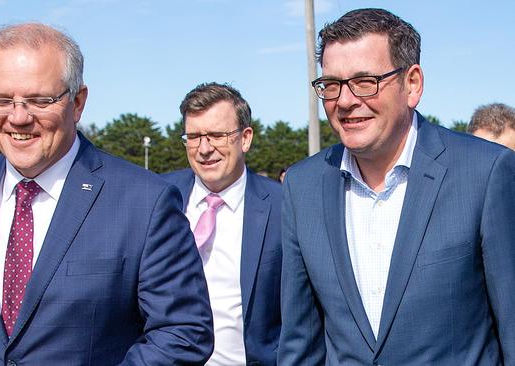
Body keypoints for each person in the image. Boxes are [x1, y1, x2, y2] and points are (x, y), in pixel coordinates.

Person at [0, 23, 213, 365]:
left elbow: (183, 332)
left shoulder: (144, 202)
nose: (18, 118)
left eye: (39, 100)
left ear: (77, 103)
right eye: (2, 100)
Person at [279, 8, 515, 365]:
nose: (344, 101)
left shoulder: (485, 173)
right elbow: (300, 341)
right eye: (331, 85)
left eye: (364, 82)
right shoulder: (302, 187)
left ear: (412, 84)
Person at [162, 83, 282, 365]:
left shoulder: (283, 206)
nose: (204, 149)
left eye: (217, 135)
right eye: (193, 137)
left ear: (245, 138)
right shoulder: (157, 196)